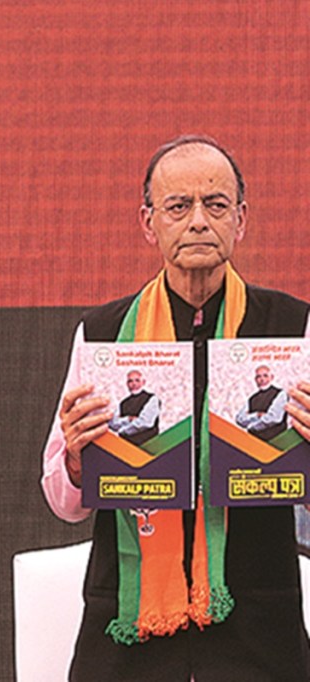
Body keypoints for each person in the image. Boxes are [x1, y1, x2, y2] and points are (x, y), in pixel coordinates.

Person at [41, 136, 310, 680]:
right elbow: (63, 500)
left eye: (215, 205)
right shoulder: (102, 335)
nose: (198, 223)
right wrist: (75, 459)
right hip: (128, 620)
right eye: (178, 206)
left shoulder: (293, 327)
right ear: (148, 223)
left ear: (241, 219)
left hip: (258, 618)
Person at [235, 364, 288, 441]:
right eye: (258, 377)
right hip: (253, 441)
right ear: (255, 380)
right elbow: (240, 419)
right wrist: (257, 415)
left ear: (271, 377)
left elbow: (274, 418)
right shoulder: (252, 398)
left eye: (265, 376)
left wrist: (251, 426)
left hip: (276, 441)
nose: (262, 379)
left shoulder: (280, 394)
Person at [107, 370, 160, 445]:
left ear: (143, 382)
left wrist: (123, 430)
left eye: (137, 380)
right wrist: (128, 419)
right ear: (127, 384)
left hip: (148, 445)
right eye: (130, 381)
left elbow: (145, 423)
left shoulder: (152, 399)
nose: (134, 384)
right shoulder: (123, 403)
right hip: (125, 446)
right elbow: (113, 424)